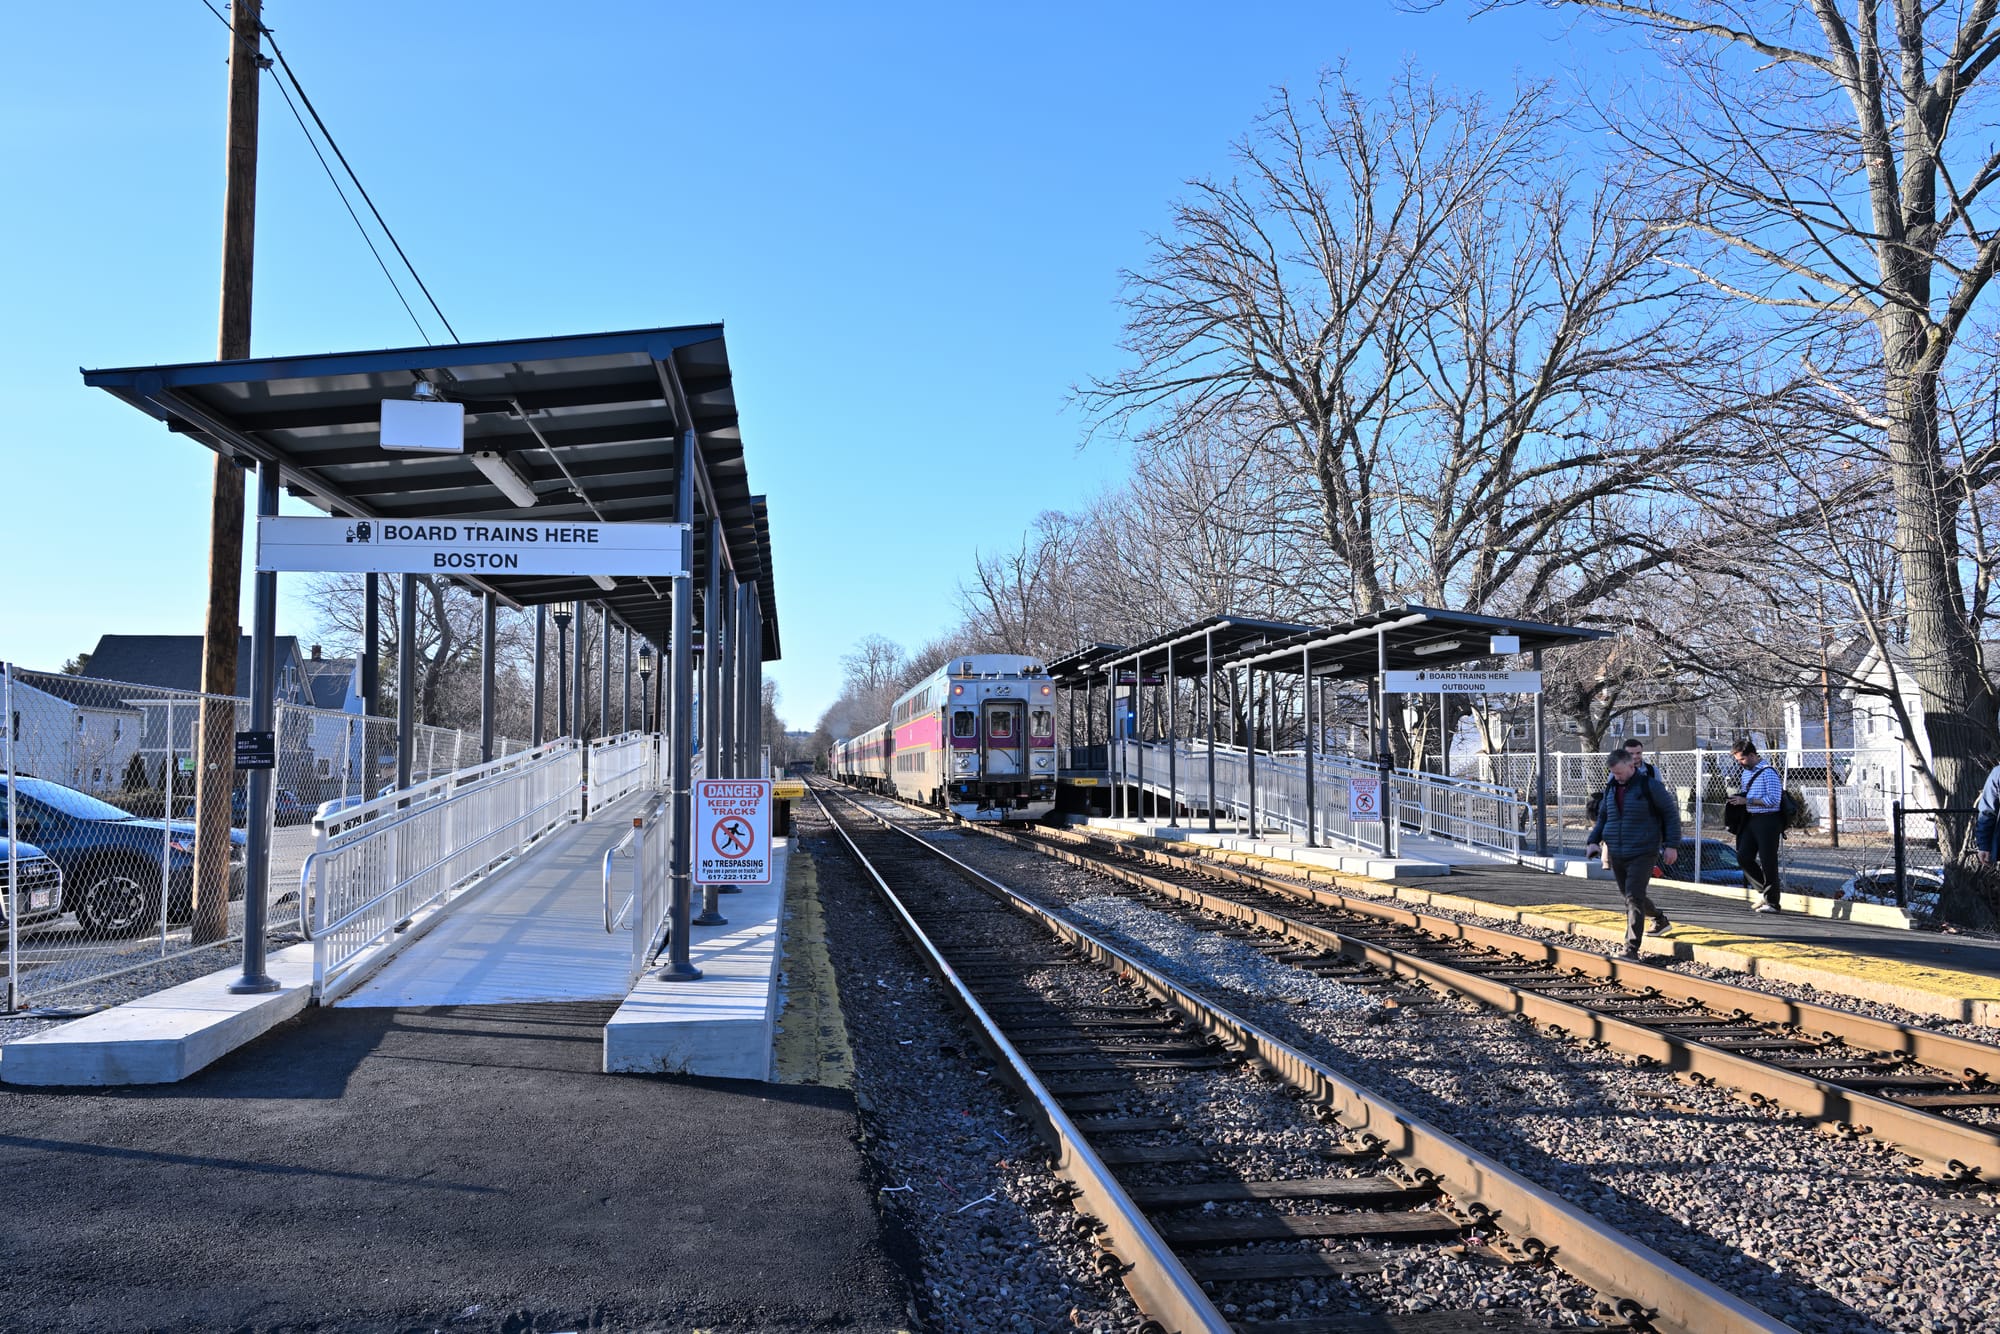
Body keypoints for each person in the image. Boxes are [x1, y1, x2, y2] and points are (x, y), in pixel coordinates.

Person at [1585, 748, 1680, 959]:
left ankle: (1631, 948)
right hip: (1617, 851)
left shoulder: (1650, 786)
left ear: (1631, 765)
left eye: (1619, 772)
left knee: (1633, 896)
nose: (1616, 777)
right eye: (1613, 773)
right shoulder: (1611, 788)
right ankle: (1659, 919)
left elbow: (1670, 815)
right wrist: (1592, 841)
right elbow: (1603, 818)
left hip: (1643, 850)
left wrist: (1672, 845)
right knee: (1631, 897)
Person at [1727, 739, 1784, 912]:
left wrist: (1748, 800)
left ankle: (1773, 902)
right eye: (1737, 760)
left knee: (1768, 860)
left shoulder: (1768, 773)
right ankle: (1764, 892)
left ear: (1752, 755)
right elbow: (1747, 794)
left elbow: (1775, 800)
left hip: (1768, 820)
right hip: (1751, 818)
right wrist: (1738, 801)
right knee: (1743, 856)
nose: (1740, 763)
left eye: (1742, 759)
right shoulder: (1746, 773)